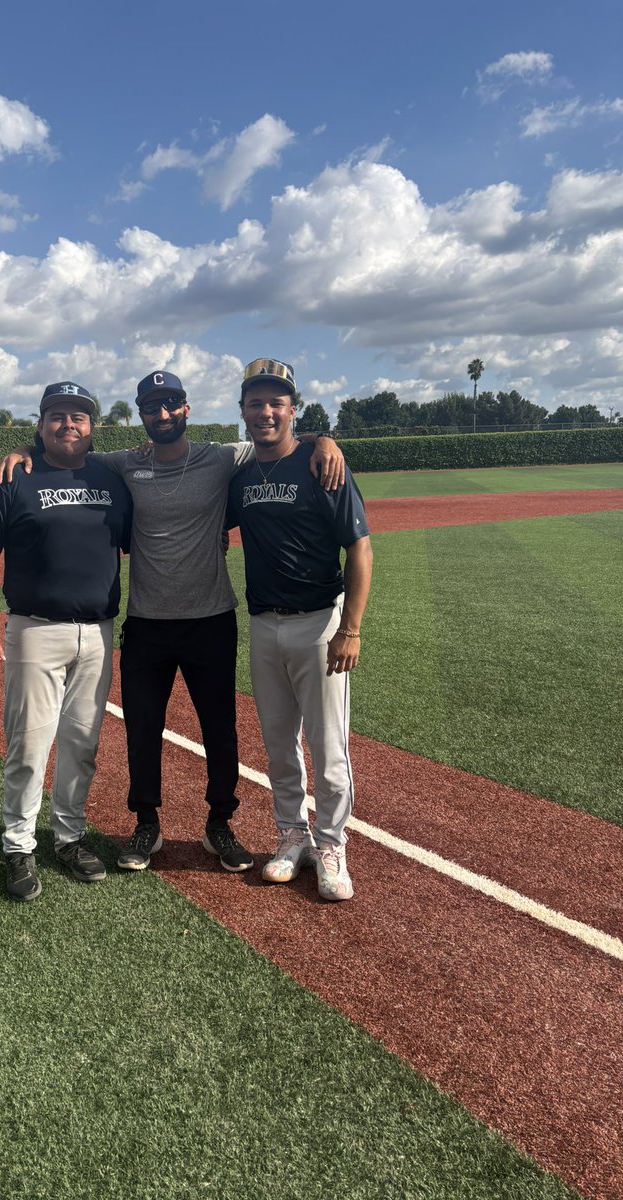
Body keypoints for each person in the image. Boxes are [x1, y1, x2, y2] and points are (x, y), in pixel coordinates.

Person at [0, 369, 346, 875]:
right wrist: (23, 450)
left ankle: (219, 824)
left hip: (211, 618)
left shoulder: (221, 457)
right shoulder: (123, 463)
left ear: (186, 408)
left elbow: (275, 435)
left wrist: (322, 440)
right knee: (143, 730)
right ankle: (146, 824)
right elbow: (67, 449)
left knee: (219, 729)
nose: (162, 414)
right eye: (151, 407)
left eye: (170, 404)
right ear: (141, 414)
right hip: (147, 622)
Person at [0, 382, 132, 901]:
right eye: (57, 415)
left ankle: (70, 837)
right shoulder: (12, 476)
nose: (68, 424)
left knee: (82, 746)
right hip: (35, 629)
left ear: (92, 427)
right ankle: (18, 846)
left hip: (98, 633)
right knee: (29, 746)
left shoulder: (110, 478)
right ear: (40, 425)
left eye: (78, 417)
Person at [226, 358, 373, 901]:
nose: (265, 411)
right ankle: (292, 836)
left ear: (293, 410)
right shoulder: (242, 477)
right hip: (263, 625)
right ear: (243, 411)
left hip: (318, 623)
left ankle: (331, 844)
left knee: (328, 745)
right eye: (256, 402)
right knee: (279, 745)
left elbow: (359, 548)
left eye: (276, 402)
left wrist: (350, 628)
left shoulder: (321, 465)